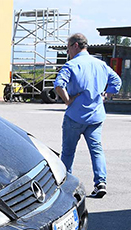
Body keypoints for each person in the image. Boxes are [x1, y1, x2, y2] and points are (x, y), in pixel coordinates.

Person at [54, 33, 122, 199]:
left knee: (68, 152)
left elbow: (58, 85)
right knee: (96, 150)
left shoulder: (71, 65)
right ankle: (101, 183)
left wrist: (68, 100)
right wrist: (106, 95)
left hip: (75, 116)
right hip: (95, 117)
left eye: (68, 47)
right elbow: (117, 82)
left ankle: (65, 185)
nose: (68, 51)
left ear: (75, 45)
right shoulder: (101, 65)